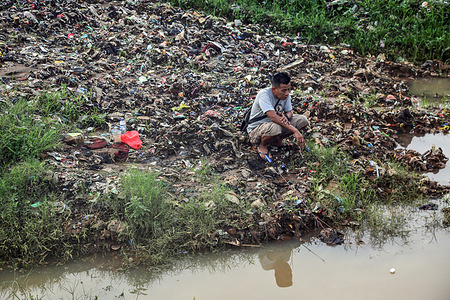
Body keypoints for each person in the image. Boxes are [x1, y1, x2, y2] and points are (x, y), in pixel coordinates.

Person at [247, 72, 309, 160]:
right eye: (283, 90)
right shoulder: (264, 95)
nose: (287, 93)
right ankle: (262, 145)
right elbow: (273, 117)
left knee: (302, 120)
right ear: (273, 89)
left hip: (273, 126)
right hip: (256, 129)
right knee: (276, 128)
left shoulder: (285, 95)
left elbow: (290, 111)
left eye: (288, 89)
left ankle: (275, 140)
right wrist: (295, 131)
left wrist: (286, 117)